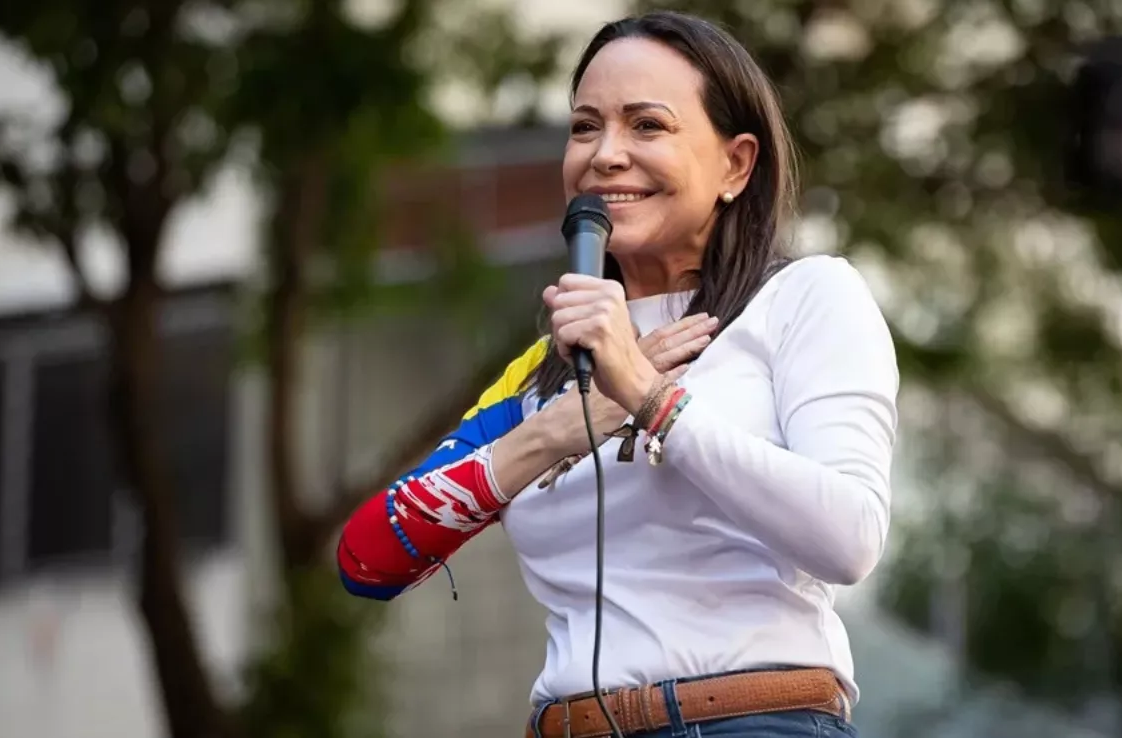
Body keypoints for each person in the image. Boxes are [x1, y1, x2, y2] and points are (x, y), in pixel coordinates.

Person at [338, 10, 899, 738]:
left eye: (647, 126)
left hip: (752, 721)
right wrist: (551, 434)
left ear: (736, 164)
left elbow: (849, 537)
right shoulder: (547, 374)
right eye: (583, 127)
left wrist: (650, 398)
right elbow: (368, 558)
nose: (605, 155)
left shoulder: (801, 300)